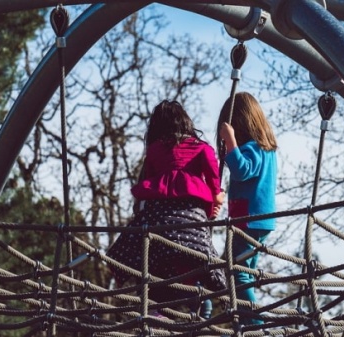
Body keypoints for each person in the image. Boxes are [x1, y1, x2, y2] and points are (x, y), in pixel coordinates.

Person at [107, 99, 226, 311]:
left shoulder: (154, 151)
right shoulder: (203, 149)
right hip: (192, 229)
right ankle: (200, 315)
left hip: (157, 227)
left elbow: (149, 190)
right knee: (197, 270)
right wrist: (216, 200)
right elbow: (214, 182)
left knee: (153, 265)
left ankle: (150, 305)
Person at [217, 92, 278, 326]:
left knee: (237, 272)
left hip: (248, 220)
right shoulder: (267, 149)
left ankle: (254, 324)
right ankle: (245, 320)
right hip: (258, 220)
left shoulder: (253, 148)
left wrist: (231, 142)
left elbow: (242, 170)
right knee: (245, 273)